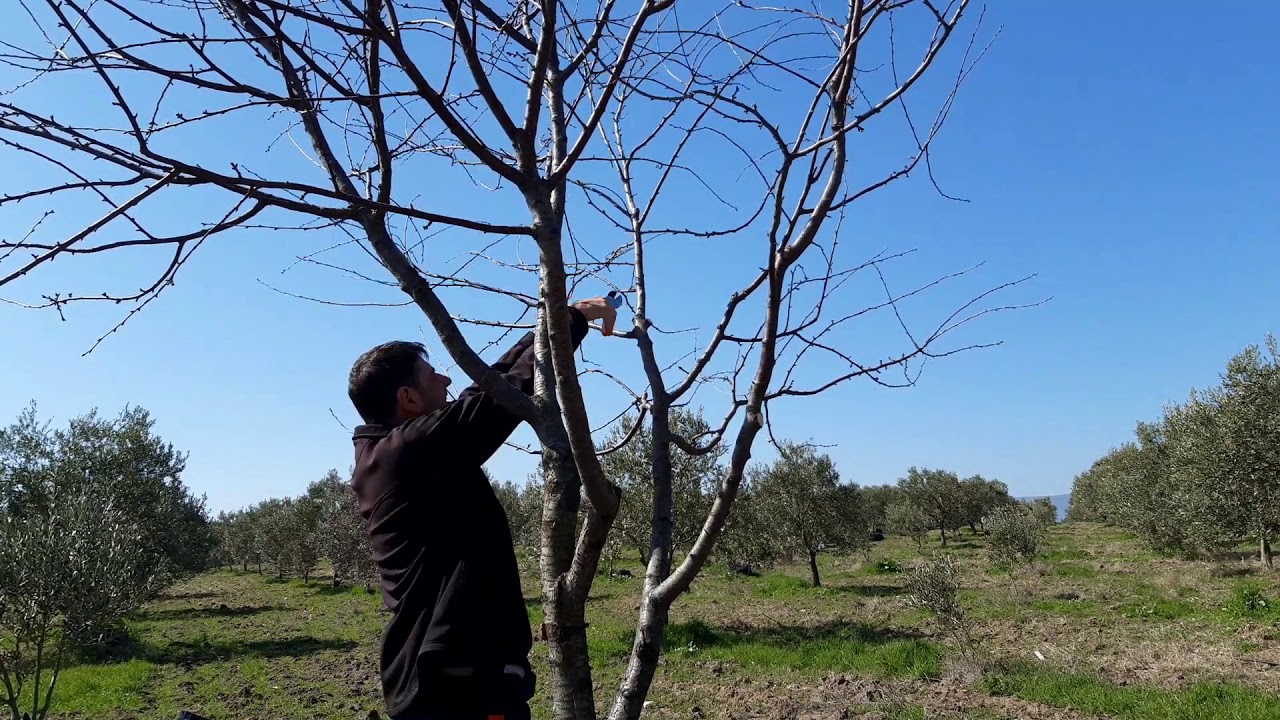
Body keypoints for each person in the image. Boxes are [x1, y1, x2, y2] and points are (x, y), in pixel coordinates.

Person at [347, 297, 618, 720]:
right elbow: (496, 400)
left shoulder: (390, 454)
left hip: (450, 676)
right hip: (457, 685)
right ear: (408, 398)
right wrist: (572, 322)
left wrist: (552, 324)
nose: (445, 378)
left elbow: (485, 388)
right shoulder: (409, 453)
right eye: (431, 375)